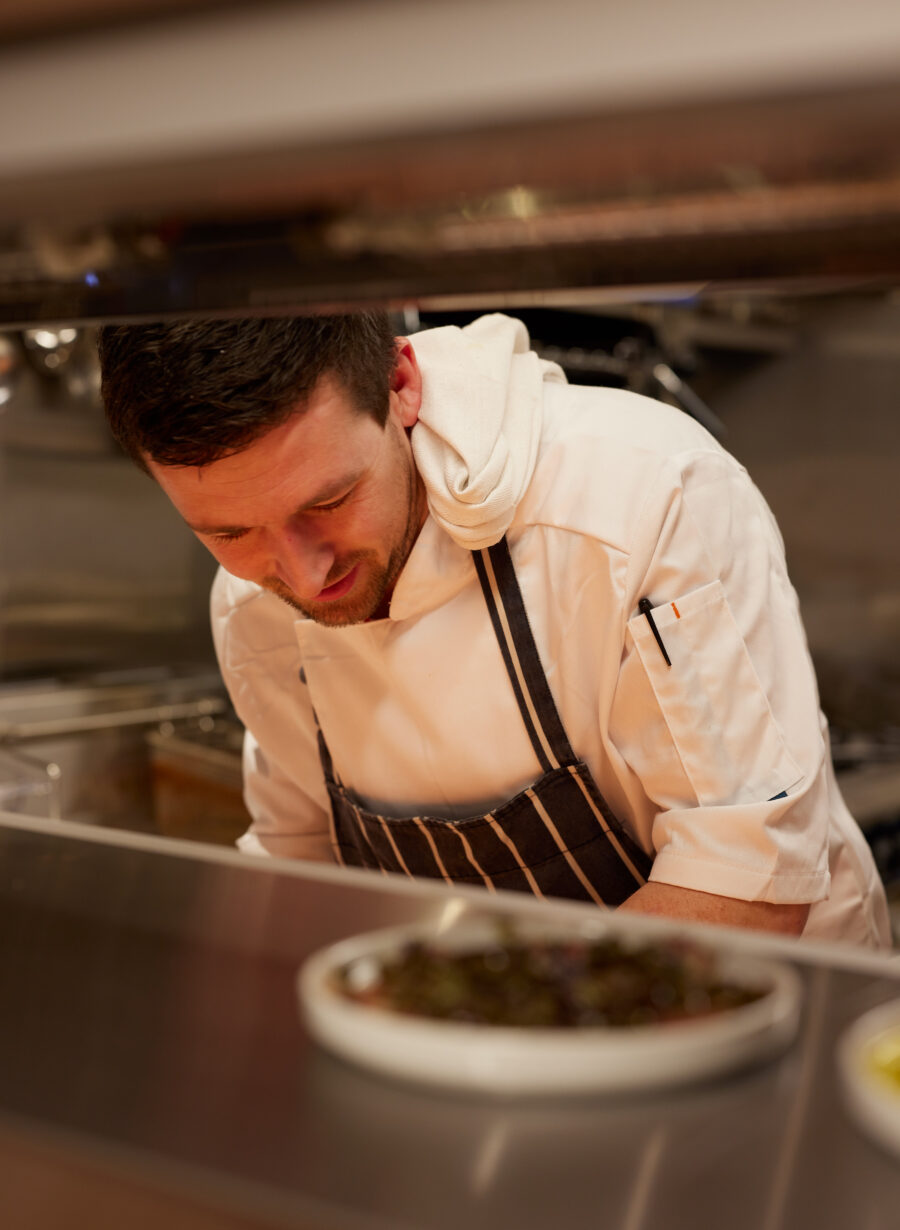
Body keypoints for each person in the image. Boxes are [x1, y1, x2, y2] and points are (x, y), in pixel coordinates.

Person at [98, 312, 890, 947]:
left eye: (329, 503)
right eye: (230, 534)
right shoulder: (252, 610)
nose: (301, 575)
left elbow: (744, 886)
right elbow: (301, 865)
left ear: (400, 384)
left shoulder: (639, 492)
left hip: (764, 1037)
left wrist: (488, 1033)